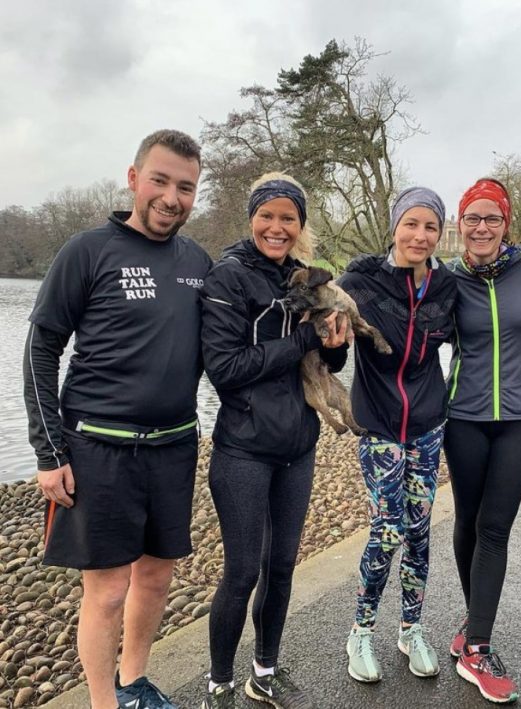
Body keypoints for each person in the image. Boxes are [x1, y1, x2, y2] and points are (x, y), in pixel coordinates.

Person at [22, 130, 210, 709]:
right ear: (133, 179)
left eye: (185, 187)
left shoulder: (199, 262)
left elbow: (234, 343)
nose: (171, 197)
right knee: (106, 592)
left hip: (175, 448)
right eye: (160, 180)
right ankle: (104, 703)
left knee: (155, 579)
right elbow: (40, 349)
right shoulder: (87, 250)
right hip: (97, 450)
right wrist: (49, 453)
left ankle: (134, 683)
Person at [199, 172, 349, 709]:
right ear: (252, 219)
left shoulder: (307, 278)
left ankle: (264, 671)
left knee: (281, 568)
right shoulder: (228, 277)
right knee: (241, 573)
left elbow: (325, 362)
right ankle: (218, 685)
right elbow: (227, 367)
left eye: (289, 218)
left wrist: (333, 346)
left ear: (300, 224)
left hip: (297, 448)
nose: (277, 227)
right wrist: (307, 335)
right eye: (268, 216)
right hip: (243, 448)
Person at [337, 187, 457, 684]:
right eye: (411, 224)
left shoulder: (447, 286)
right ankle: (361, 630)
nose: (420, 235)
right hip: (381, 427)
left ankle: (411, 627)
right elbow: (324, 333)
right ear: (394, 227)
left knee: (420, 532)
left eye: (430, 226)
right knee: (387, 530)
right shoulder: (361, 281)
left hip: (428, 429)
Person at [444, 178, 521, 704]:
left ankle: (477, 644)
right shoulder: (446, 278)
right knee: (467, 521)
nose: (482, 227)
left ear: (506, 223)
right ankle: (474, 625)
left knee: (494, 527)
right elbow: (405, 318)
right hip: (462, 418)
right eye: (472, 218)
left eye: (492, 218)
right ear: (460, 226)